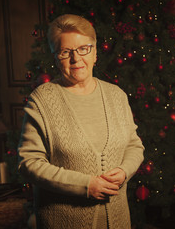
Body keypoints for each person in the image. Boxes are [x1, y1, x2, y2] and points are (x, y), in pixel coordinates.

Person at [18, 14, 144, 229]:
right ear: (56, 57)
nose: (76, 59)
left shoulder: (116, 96)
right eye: (66, 52)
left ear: (95, 53)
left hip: (118, 220)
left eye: (84, 49)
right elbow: (28, 163)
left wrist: (124, 171)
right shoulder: (42, 100)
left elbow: (134, 145)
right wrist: (85, 185)